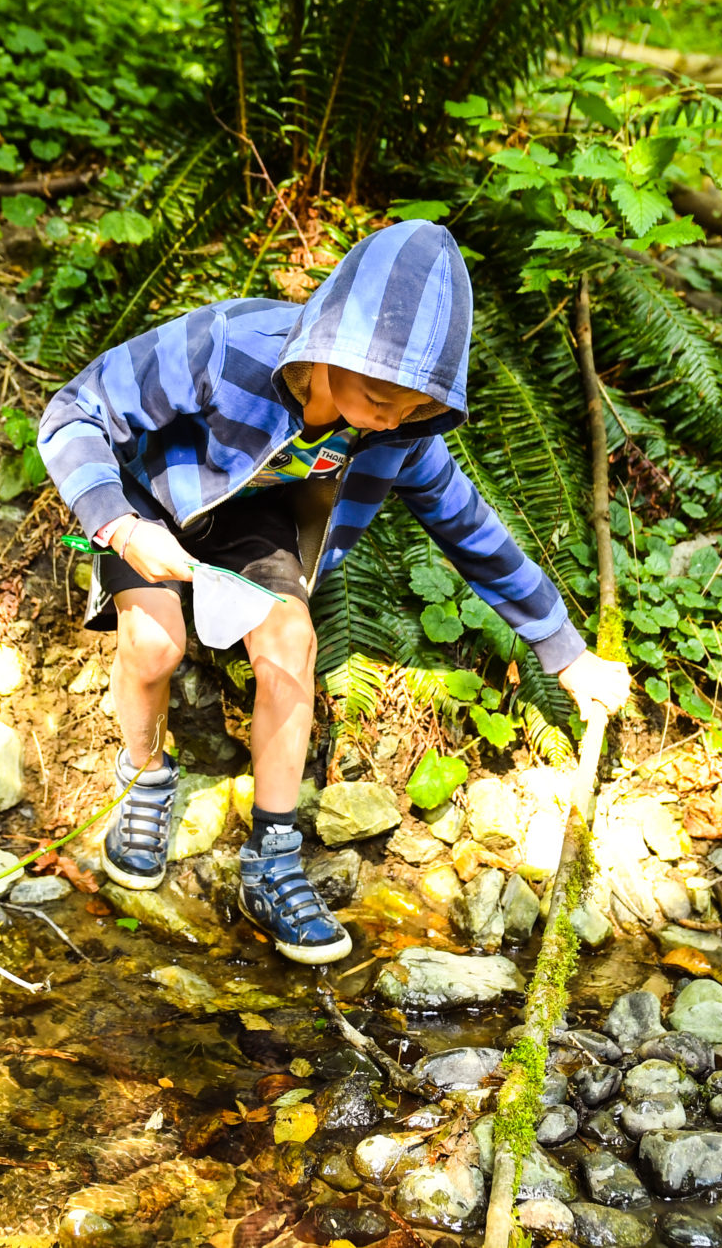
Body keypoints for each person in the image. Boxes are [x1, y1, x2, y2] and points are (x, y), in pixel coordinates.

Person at [38, 220, 630, 964]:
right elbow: (72, 411)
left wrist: (565, 652)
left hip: (256, 522)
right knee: (155, 643)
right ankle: (145, 776)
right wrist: (120, 526)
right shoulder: (226, 347)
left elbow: (473, 531)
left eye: (415, 406)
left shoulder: (401, 432)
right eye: (380, 393)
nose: (391, 416)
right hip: (149, 499)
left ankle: (271, 855)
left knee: (292, 644)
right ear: (326, 344)